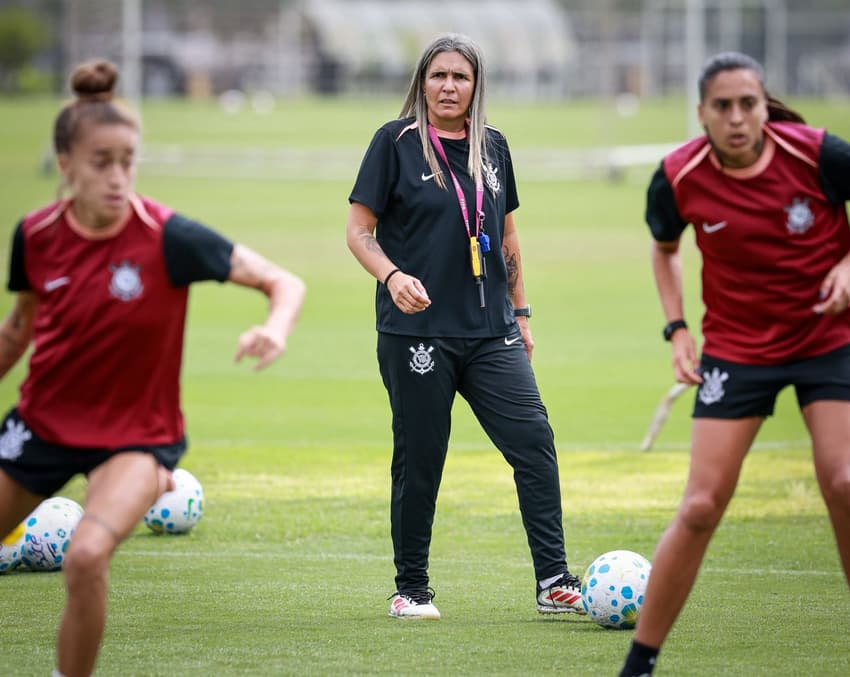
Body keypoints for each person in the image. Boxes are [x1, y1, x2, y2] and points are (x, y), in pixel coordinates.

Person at [0, 60, 306, 677]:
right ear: (66, 165)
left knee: (86, 555)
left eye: (128, 160)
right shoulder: (35, 236)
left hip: (137, 437)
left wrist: (273, 328)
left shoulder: (168, 236)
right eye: (101, 162)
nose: (118, 177)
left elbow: (282, 280)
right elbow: (17, 331)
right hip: (44, 425)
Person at [620, 51, 850, 676]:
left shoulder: (821, 154)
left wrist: (846, 265)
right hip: (738, 350)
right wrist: (676, 330)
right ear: (702, 115)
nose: (737, 117)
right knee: (700, 505)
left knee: (845, 481)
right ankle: (638, 664)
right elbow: (664, 251)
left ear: (763, 104)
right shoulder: (678, 176)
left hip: (828, 340)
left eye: (748, 103)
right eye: (722, 106)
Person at [345, 33, 584, 620]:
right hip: (417, 334)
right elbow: (359, 231)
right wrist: (391, 276)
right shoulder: (394, 142)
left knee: (534, 444)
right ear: (421, 83)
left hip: (491, 331)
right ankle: (413, 589)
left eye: (461, 77)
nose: (449, 86)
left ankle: (553, 581)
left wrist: (521, 313)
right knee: (421, 457)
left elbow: (505, 237)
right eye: (438, 76)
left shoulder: (494, 147)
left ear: (476, 86)